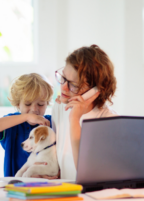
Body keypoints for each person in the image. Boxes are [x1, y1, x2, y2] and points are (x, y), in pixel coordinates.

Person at [52, 44, 117, 180]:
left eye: (73, 85)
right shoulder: (59, 108)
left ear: (96, 90)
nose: (63, 88)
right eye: (63, 77)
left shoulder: (108, 120)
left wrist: (74, 119)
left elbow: (86, 175)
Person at [0, 73, 53, 177]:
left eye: (41, 104)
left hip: (43, 185)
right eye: (28, 104)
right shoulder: (12, 123)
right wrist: (27, 117)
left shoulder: (50, 123)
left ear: (47, 103)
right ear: (17, 104)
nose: (34, 109)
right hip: (14, 186)